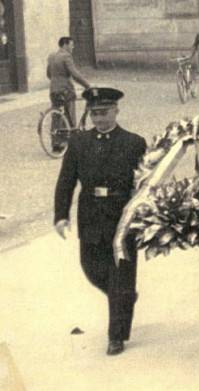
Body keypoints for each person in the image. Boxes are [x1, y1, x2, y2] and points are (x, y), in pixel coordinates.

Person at [54, 87, 147, 356]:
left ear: (116, 110)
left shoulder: (134, 143)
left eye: (104, 113)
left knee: (120, 276)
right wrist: (60, 215)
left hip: (122, 216)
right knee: (91, 268)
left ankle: (116, 336)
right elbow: (66, 182)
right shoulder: (79, 143)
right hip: (91, 215)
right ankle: (125, 298)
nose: (99, 119)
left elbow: (145, 184)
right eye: (94, 114)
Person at [46, 37, 91, 152]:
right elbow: (75, 74)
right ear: (65, 45)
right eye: (71, 45)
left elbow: (48, 74)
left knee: (56, 115)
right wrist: (87, 86)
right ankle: (71, 142)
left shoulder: (51, 56)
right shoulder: (66, 56)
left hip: (54, 90)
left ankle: (56, 143)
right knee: (70, 114)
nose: (73, 47)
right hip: (65, 90)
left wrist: (57, 80)